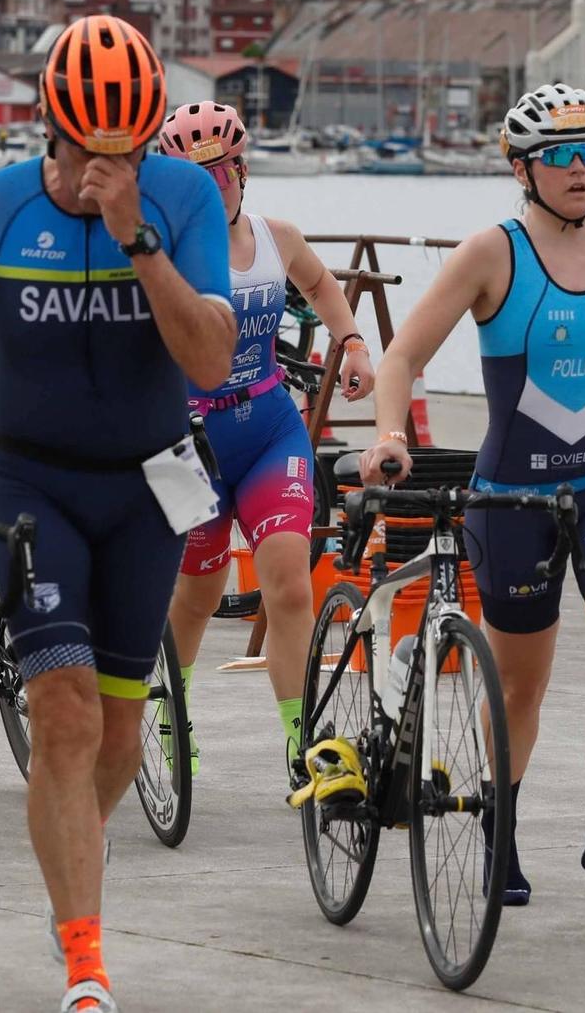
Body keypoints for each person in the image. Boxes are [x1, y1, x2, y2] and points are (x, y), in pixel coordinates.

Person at [0, 15, 235, 1013]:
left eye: (128, 146)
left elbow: (207, 360)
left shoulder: (185, 197)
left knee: (116, 734)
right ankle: (85, 960)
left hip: (148, 484)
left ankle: (72, 860)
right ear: (49, 131)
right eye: (86, 149)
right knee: (60, 716)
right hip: (33, 484)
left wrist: (138, 239)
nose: (105, 165)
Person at [359, 82, 585, 921]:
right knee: (519, 690)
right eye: (562, 156)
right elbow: (401, 356)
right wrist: (388, 432)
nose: (582, 169)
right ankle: (500, 834)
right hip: (512, 496)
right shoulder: (491, 253)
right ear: (522, 168)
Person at [153, 101, 373, 787]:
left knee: (286, 582)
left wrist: (353, 341)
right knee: (196, 593)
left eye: (221, 170)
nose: (212, 185)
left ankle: (302, 739)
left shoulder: (278, 236)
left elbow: (318, 284)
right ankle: (172, 712)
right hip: (185, 441)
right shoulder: (163, 253)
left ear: (242, 170)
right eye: (194, 175)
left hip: (269, 424)